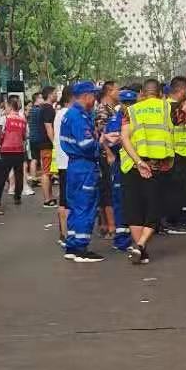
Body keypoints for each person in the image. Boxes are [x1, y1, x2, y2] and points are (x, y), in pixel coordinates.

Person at [120, 77, 173, 263]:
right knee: (154, 209)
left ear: (141, 93)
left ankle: (140, 250)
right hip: (156, 166)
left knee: (134, 209)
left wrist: (137, 161)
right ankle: (141, 245)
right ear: (161, 93)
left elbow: (124, 138)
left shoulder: (131, 111)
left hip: (132, 165)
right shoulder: (168, 108)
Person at [59, 81, 102, 261]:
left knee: (76, 206)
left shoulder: (71, 114)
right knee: (85, 207)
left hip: (75, 166)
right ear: (86, 96)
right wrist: (101, 142)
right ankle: (81, 248)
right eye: (94, 95)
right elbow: (86, 144)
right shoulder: (78, 117)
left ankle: (72, 245)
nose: (95, 99)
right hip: (85, 166)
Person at [163, 76, 186, 234]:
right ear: (182, 90)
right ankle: (173, 220)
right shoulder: (171, 106)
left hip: (180, 151)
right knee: (176, 188)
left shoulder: (169, 105)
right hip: (176, 152)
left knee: (181, 188)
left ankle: (177, 216)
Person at [103, 86, 134, 253]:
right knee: (121, 201)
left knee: (130, 201)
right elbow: (107, 140)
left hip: (132, 164)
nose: (128, 105)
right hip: (122, 164)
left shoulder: (128, 118)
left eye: (131, 102)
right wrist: (111, 153)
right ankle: (122, 239)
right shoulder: (116, 120)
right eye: (126, 103)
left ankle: (131, 236)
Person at [95, 80, 120, 239]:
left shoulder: (112, 109)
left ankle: (107, 224)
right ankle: (110, 226)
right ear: (109, 91)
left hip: (111, 153)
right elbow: (101, 134)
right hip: (106, 155)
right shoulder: (103, 110)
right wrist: (109, 153)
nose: (119, 93)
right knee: (107, 190)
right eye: (117, 89)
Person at [52, 85, 72, 245]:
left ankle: (64, 233)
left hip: (63, 160)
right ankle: (66, 234)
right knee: (67, 200)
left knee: (64, 199)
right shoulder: (67, 114)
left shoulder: (60, 113)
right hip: (68, 161)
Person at [0, 95, 28, 205]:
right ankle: (17, 197)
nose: (5, 108)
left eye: (6, 106)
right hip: (19, 150)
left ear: (10, 106)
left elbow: (1, 134)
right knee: (19, 174)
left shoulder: (5, 119)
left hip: (6, 150)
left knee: (3, 174)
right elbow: (25, 135)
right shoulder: (22, 119)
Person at [37, 87, 58, 207]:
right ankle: (47, 199)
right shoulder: (48, 109)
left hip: (45, 143)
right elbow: (48, 126)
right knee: (46, 172)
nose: (56, 95)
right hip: (47, 144)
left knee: (49, 172)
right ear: (50, 95)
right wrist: (55, 143)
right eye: (55, 93)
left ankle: (50, 197)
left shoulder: (43, 108)